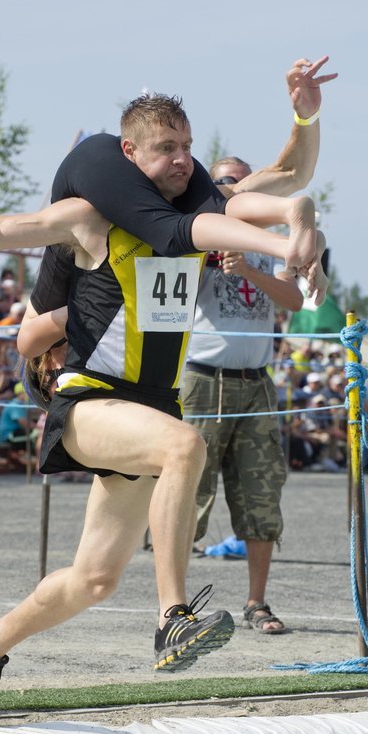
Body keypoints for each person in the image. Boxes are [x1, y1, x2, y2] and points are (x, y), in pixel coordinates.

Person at [0, 56, 336, 727]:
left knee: (94, 579)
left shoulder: (201, 206)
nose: (182, 160)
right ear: (128, 153)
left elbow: (290, 175)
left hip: (148, 409)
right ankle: (172, 618)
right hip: (90, 401)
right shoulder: (90, 217)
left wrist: (303, 114)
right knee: (184, 447)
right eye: (165, 148)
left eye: (187, 146)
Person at [181, 154, 308, 635]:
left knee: (262, 492)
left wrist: (251, 272)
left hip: (256, 382)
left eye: (241, 183)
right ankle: (175, 609)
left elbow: (295, 300)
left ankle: (257, 602)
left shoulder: (270, 244)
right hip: (202, 380)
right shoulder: (194, 236)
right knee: (188, 494)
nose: (233, 190)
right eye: (223, 184)